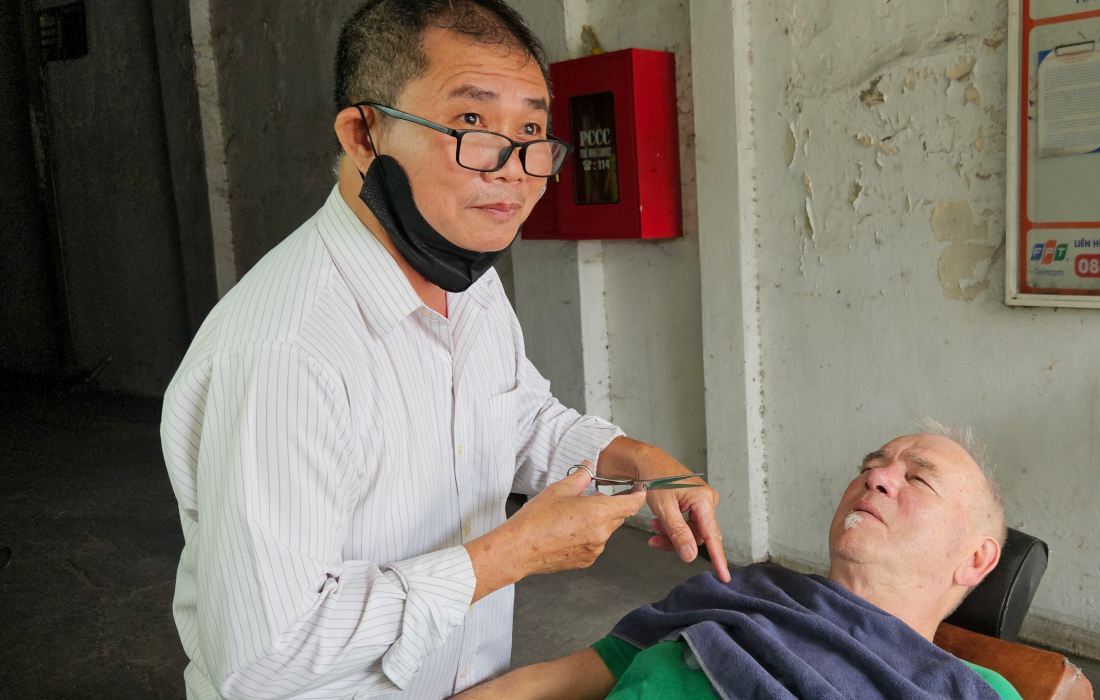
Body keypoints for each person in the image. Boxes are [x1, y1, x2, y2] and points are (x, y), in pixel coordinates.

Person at [159, 1, 727, 697]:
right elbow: (264, 656)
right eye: (471, 124)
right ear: (364, 134)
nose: (515, 170)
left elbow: (517, 417)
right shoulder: (288, 352)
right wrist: (511, 555)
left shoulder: (466, 283)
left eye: (531, 132)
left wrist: (631, 458)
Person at [459, 425, 1021, 700]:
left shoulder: (972, 690)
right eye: (872, 464)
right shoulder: (743, 592)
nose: (876, 476)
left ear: (976, 559)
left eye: (917, 477)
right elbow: (567, 677)